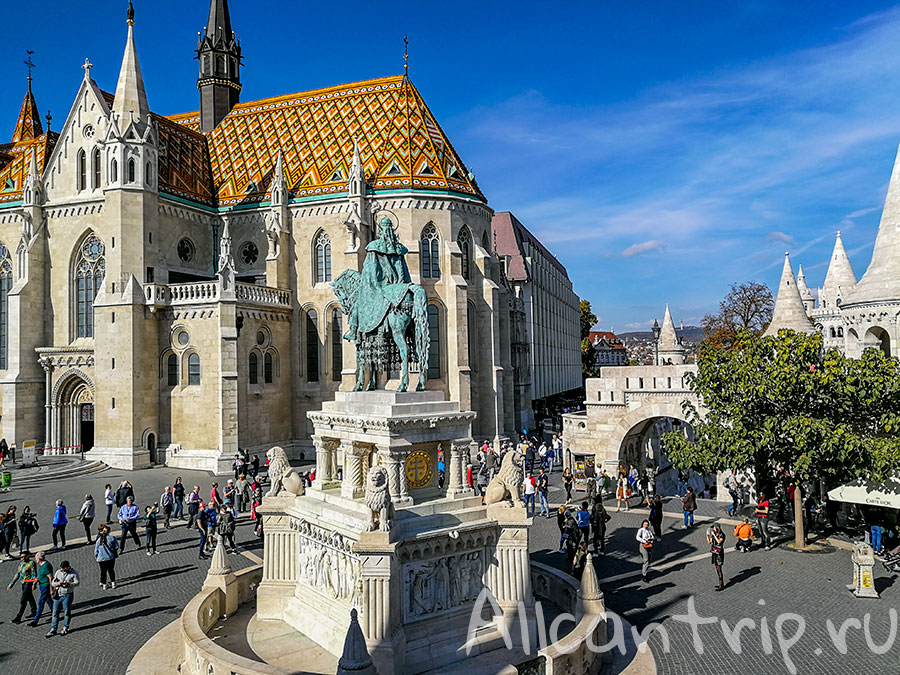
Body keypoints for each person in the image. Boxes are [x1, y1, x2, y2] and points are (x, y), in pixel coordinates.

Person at [46, 559, 79, 637]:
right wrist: (58, 583)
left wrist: (69, 584)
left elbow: (77, 583)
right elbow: (53, 583)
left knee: (66, 612)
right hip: (58, 595)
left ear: (68, 567)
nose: (62, 570)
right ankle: (53, 629)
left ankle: (65, 628)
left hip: (67, 595)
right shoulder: (58, 572)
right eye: (61, 569)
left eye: (64, 569)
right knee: (55, 613)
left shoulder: (74, 573)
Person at [8, 551, 37, 623]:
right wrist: (12, 583)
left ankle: (19, 616)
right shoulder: (21, 564)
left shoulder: (31, 563)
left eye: (24, 556)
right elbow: (18, 574)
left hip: (28, 583)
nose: (23, 558)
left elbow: (34, 574)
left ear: (28, 556)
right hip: (23, 583)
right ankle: (34, 611)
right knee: (30, 597)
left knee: (23, 600)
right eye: (21, 557)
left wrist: (34, 584)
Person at [28, 552, 53, 627]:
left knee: (41, 603)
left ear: (39, 558)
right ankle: (55, 614)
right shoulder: (42, 565)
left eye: (36, 557)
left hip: (45, 586)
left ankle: (35, 620)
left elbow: (50, 578)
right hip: (42, 586)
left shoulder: (45, 566)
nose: (35, 559)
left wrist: (51, 589)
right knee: (49, 601)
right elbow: (41, 576)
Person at [94, 524, 119, 589]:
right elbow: (116, 546)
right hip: (110, 557)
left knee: (103, 571)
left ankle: (104, 584)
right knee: (111, 570)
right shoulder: (112, 538)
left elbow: (96, 550)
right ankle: (113, 583)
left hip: (101, 558)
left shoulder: (99, 540)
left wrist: (97, 557)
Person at [707, 523, 726, 591]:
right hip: (715, 552)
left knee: (719, 569)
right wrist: (708, 536)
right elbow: (709, 542)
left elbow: (719, 542)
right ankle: (721, 583)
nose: (713, 529)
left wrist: (714, 535)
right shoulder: (714, 534)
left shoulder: (722, 535)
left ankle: (721, 585)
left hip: (719, 553)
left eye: (714, 528)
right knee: (717, 568)